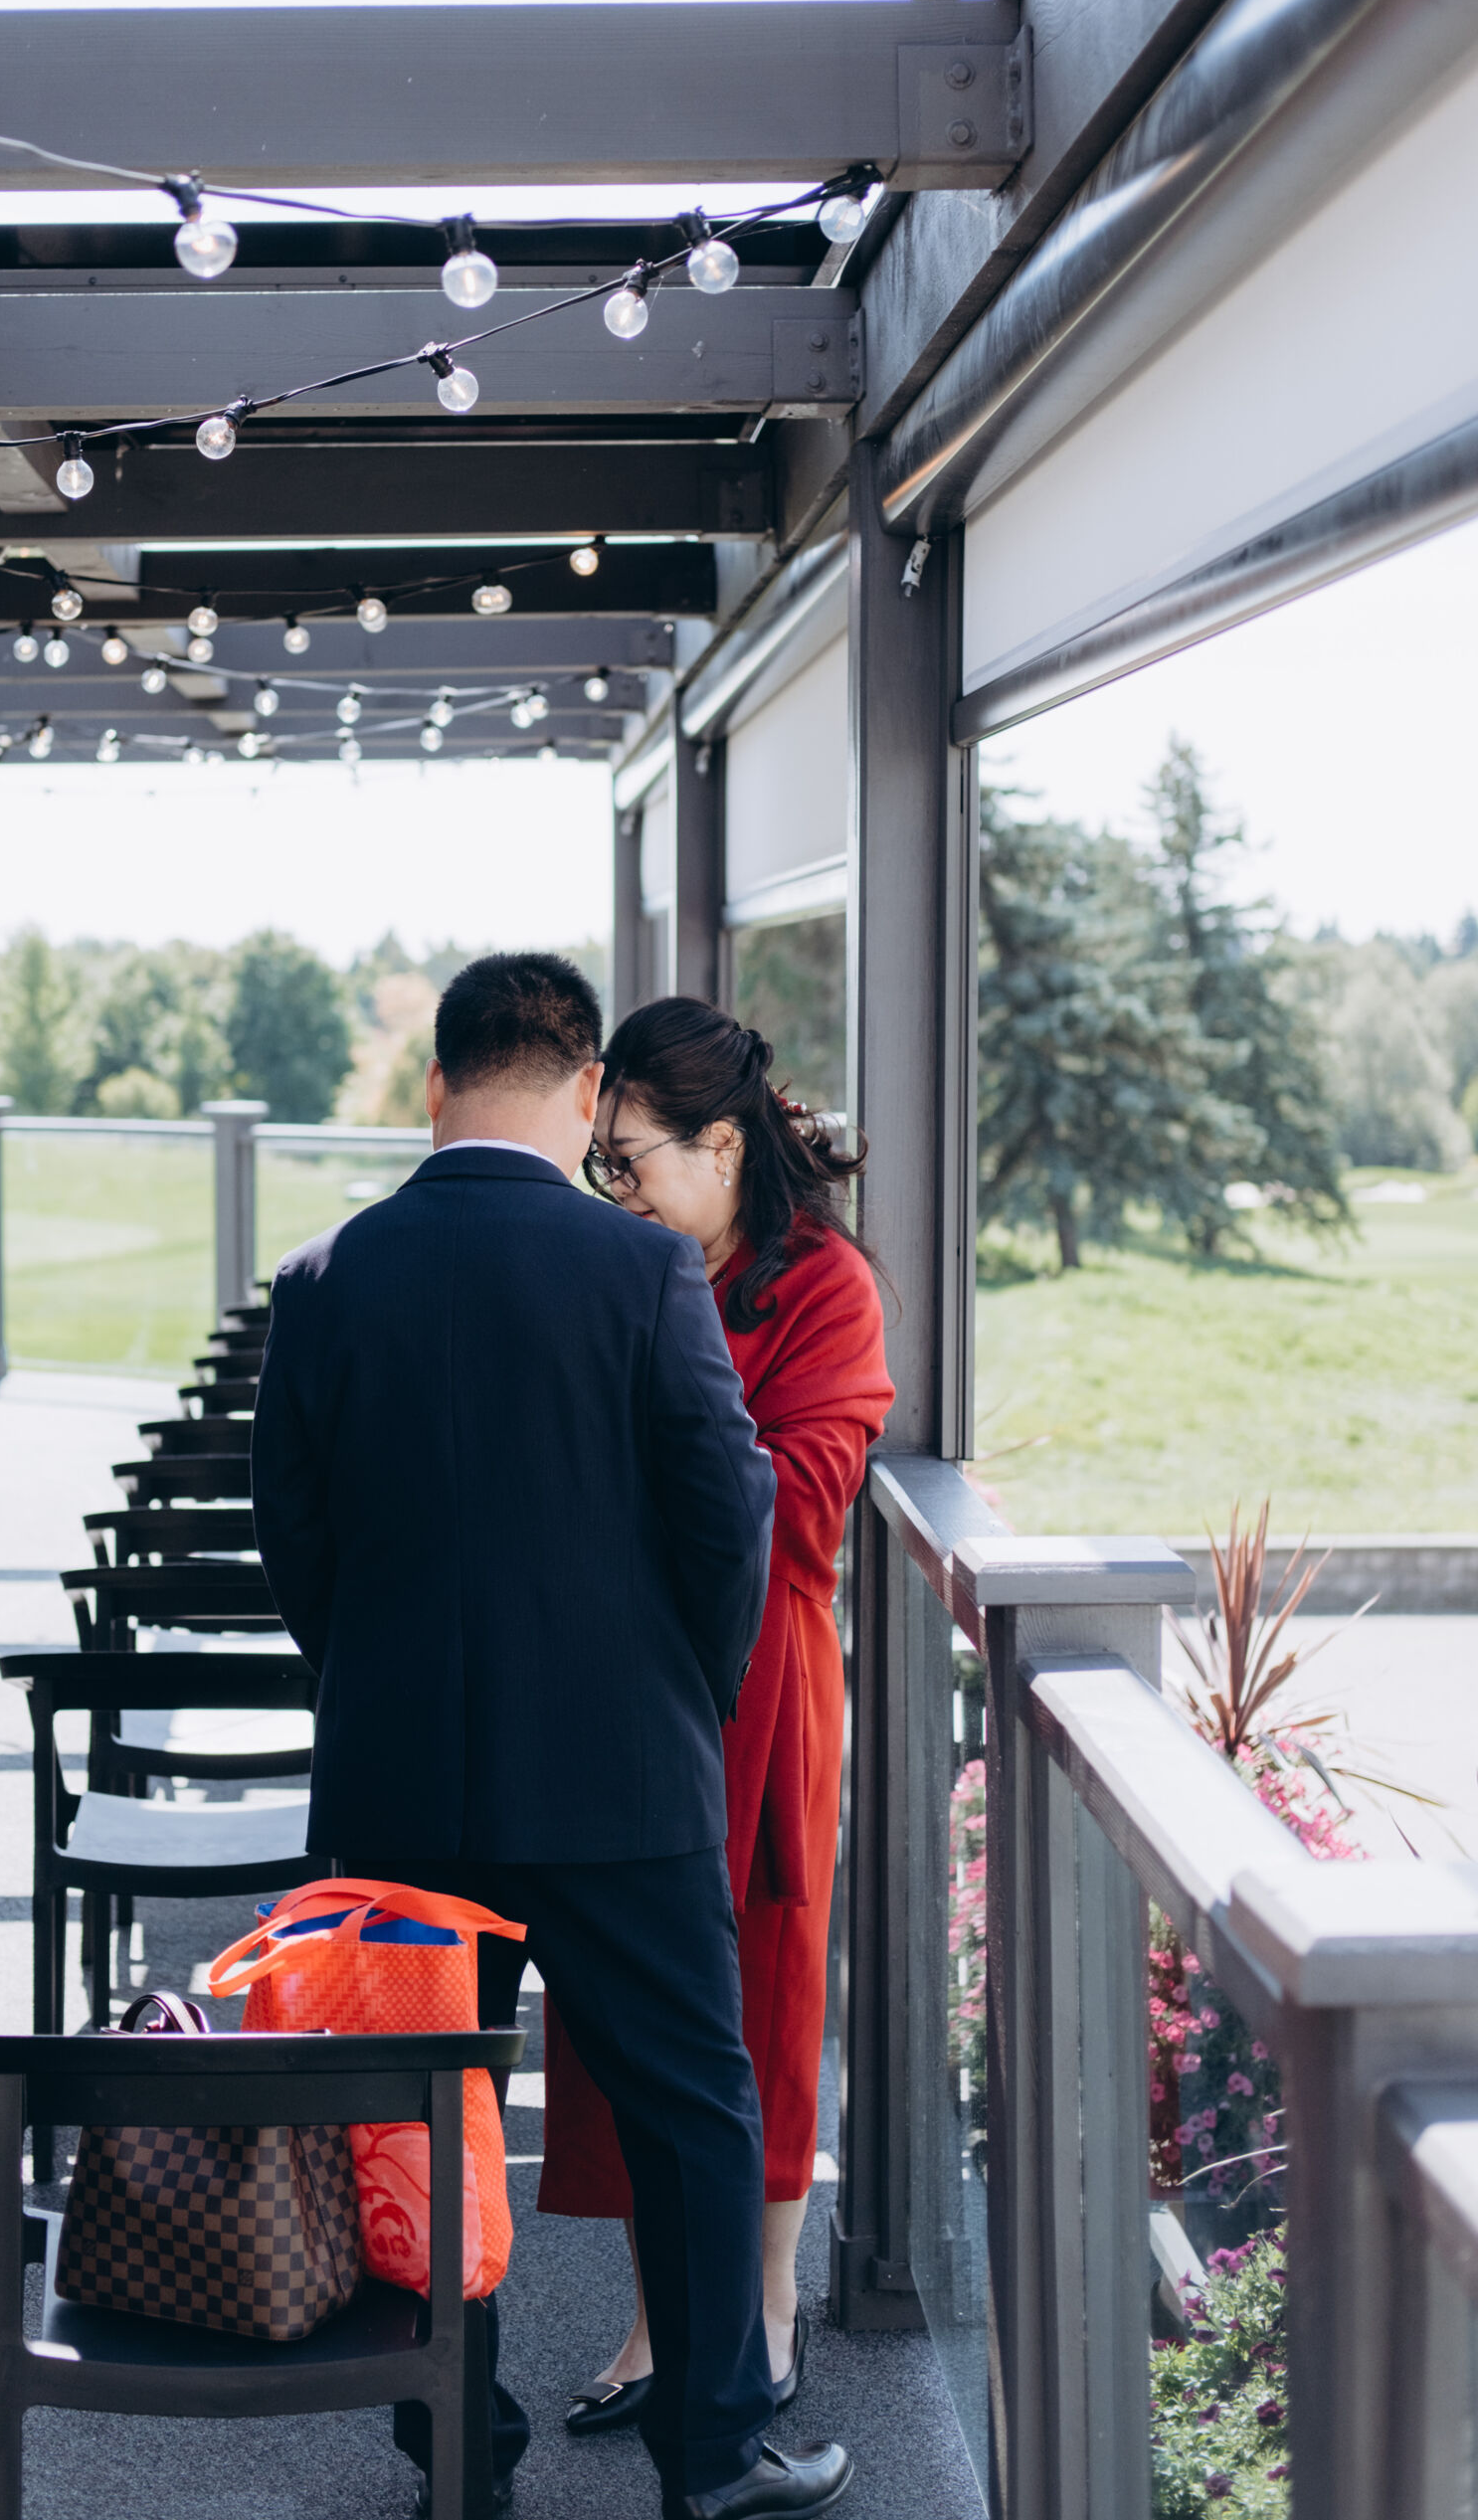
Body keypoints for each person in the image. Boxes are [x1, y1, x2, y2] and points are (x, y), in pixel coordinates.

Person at [251, 951, 854, 2520]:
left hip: (397, 1784)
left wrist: (371, 1683)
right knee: (692, 2105)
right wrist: (684, 1694)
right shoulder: (643, 1273)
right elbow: (729, 1515)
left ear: (433, 1087)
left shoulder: (321, 1278)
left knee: (419, 2116)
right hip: (623, 1777)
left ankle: (461, 2450)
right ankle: (713, 2455)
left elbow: (292, 1538)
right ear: (588, 1089)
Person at [541, 998, 893, 2435]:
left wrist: (626, 1490)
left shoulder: (824, 1286)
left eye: (630, 1159)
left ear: (725, 1146)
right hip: (624, 1676)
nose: (614, 1188)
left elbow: (802, 1510)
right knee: (622, 2003)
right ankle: (655, 2317)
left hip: (762, 1682)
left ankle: (764, 2301)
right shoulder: (617, 1267)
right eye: (601, 1163)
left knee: (766, 1991)